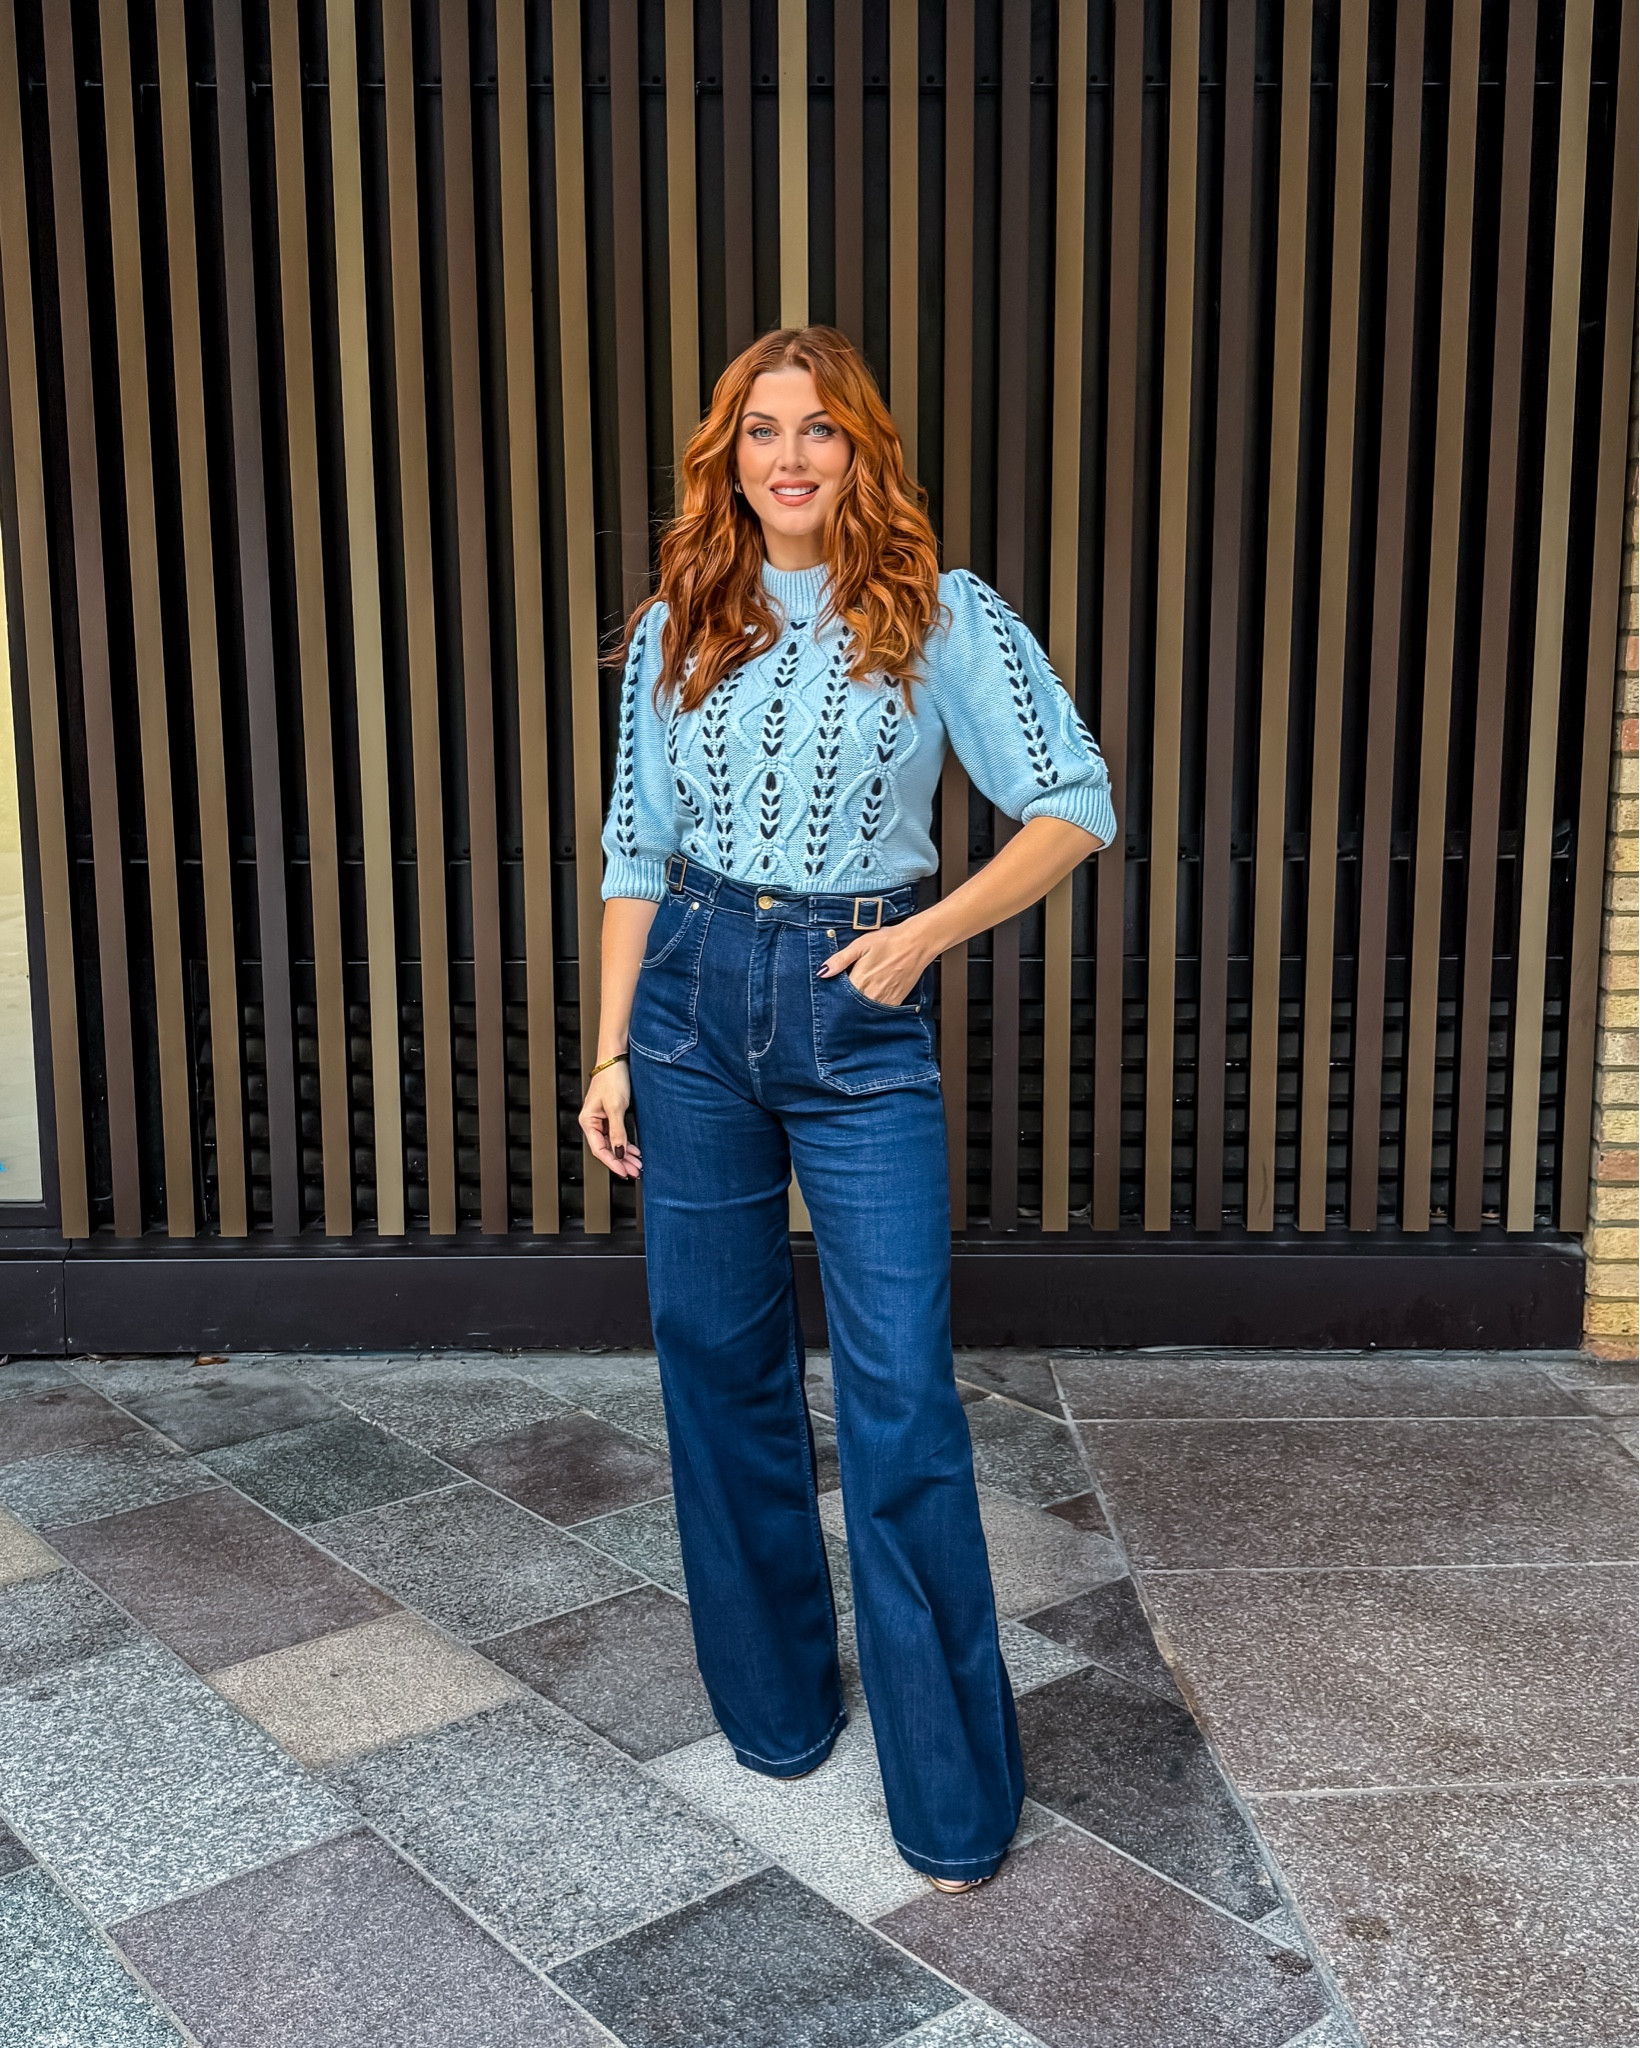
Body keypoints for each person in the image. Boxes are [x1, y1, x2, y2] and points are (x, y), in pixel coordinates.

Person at [580, 324, 1116, 1893]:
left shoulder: (939, 612)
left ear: (861, 450)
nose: (790, 456)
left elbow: (1073, 803)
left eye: (819, 429)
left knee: (899, 1396)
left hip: (857, 1008)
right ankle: (777, 1711)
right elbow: (634, 849)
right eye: (763, 430)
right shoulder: (681, 623)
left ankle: (950, 1795)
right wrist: (608, 1052)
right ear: (729, 456)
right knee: (715, 1361)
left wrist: (927, 932)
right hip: (688, 1000)